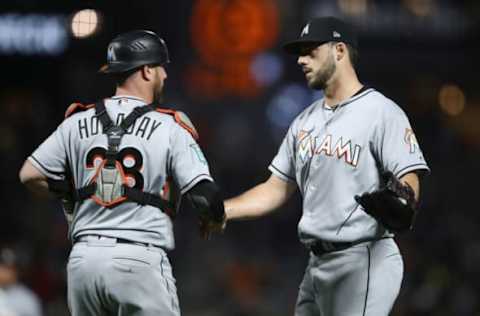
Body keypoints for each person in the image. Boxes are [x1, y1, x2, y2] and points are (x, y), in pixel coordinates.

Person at [223, 17, 430, 315]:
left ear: (340, 51)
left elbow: (408, 176)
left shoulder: (381, 111)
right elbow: (275, 188)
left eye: (311, 51)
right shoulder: (303, 121)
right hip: (316, 264)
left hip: (363, 257)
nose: (301, 60)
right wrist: (225, 209)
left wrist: (404, 199)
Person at [19, 30, 225, 316]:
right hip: (138, 260)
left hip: (83, 264)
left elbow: (29, 174)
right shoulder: (170, 126)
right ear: (146, 70)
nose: (165, 75)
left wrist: (70, 195)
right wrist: (214, 218)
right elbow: (206, 196)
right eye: (161, 67)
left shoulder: (77, 121)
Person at [0, 247, 43, 316]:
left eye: (9, 269)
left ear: (16, 271)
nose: (5, 273)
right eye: (3, 267)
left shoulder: (28, 298)